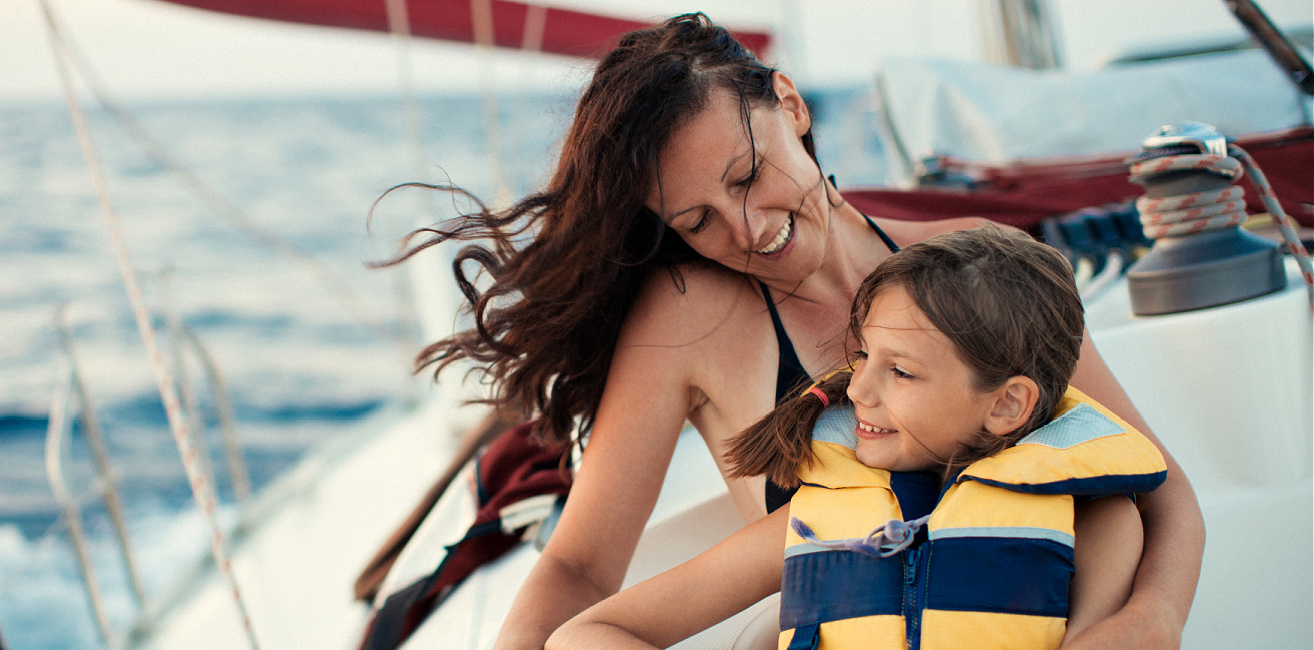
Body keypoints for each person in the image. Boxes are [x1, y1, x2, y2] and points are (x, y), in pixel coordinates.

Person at [397, 13, 1201, 649]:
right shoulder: (691, 316)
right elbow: (577, 566)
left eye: (748, 176)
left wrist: (1149, 622)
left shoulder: (987, 268)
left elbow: (1156, 493)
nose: (745, 230)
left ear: (790, 104)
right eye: (697, 220)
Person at [545, 226, 1167, 649]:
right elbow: (587, 634)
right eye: (864, 355)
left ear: (1006, 404)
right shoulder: (818, 518)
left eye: (901, 371)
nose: (859, 391)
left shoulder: (1100, 521)